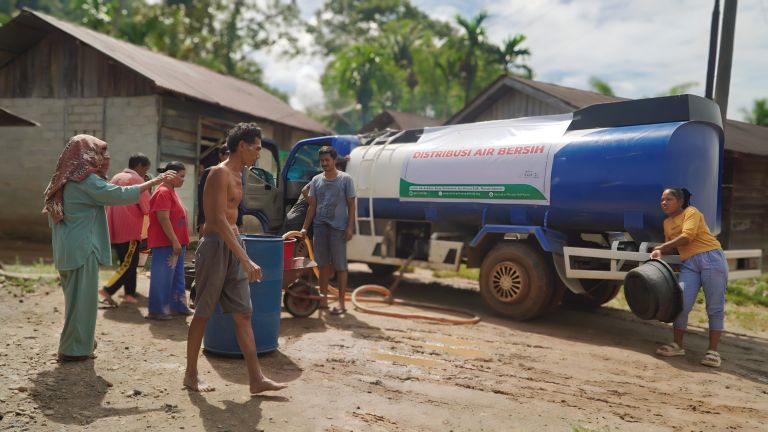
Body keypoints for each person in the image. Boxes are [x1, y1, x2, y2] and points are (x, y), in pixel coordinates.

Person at [43, 134, 176, 362]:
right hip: (83, 251)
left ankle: (78, 343)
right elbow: (118, 194)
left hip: (67, 250)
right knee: (83, 303)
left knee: (75, 302)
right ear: (86, 155)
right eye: (99, 153)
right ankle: (75, 349)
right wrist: (153, 182)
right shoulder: (84, 181)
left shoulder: (62, 180)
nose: (103, 158)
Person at [184, 123, 287, 394]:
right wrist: (245, 258)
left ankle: (256, 379)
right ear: (242, 146)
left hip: (234, 245)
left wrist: (241, 249)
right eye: (256, 148)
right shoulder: (218, 173)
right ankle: (190, 375)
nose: (258, 154)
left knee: (244, 313)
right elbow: (217, 219)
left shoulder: (242, 174)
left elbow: (232, 219)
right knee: (203, 313)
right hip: (215, 248)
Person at [651, 188, 728, 367]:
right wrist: (660, 253)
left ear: (680, 201)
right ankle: (678, 345)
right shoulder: (666, 223)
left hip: (711, 258)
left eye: (669, 199)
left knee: (714, 306)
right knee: (682, 304)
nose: (664, 203)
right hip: (689, 264)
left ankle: (713, 351)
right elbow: (673, 247)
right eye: (662, 200)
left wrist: (661, 247)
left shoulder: (691, 212)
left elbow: (687, 237)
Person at [300, 147, 356, 315]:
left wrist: (350, 227)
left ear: (334, 160)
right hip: (320, 228)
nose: (324, 163)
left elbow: (351, 205)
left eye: (327, 160)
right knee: (322, 265)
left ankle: (341, 303)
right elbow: (312, 206)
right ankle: (323, 300)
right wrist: (304, 227)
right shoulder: (316, 180)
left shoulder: (346, 179)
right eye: (322, 161)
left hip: (339, 229)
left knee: (340, 266)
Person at [100, 153, 152, 306]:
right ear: (140, 166)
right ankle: (107, 290)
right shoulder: (137, 180)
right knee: (129, 264)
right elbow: (147, 207)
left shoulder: (116, 177)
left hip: (113, 228)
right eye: (145, 170)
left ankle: (129, 293)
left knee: (127, 262)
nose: (145, 174)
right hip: (129, 229)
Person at [147, 161, 192, 320]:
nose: (183, 180)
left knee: (177, 276)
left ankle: (177, 306)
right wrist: (174, 241)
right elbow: (163, 218)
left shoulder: (171, 191)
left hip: (176, 242)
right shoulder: (163, 192)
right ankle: (157, 310)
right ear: (171, 175)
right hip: (166, 243)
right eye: (181, 176)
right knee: (162, 277)